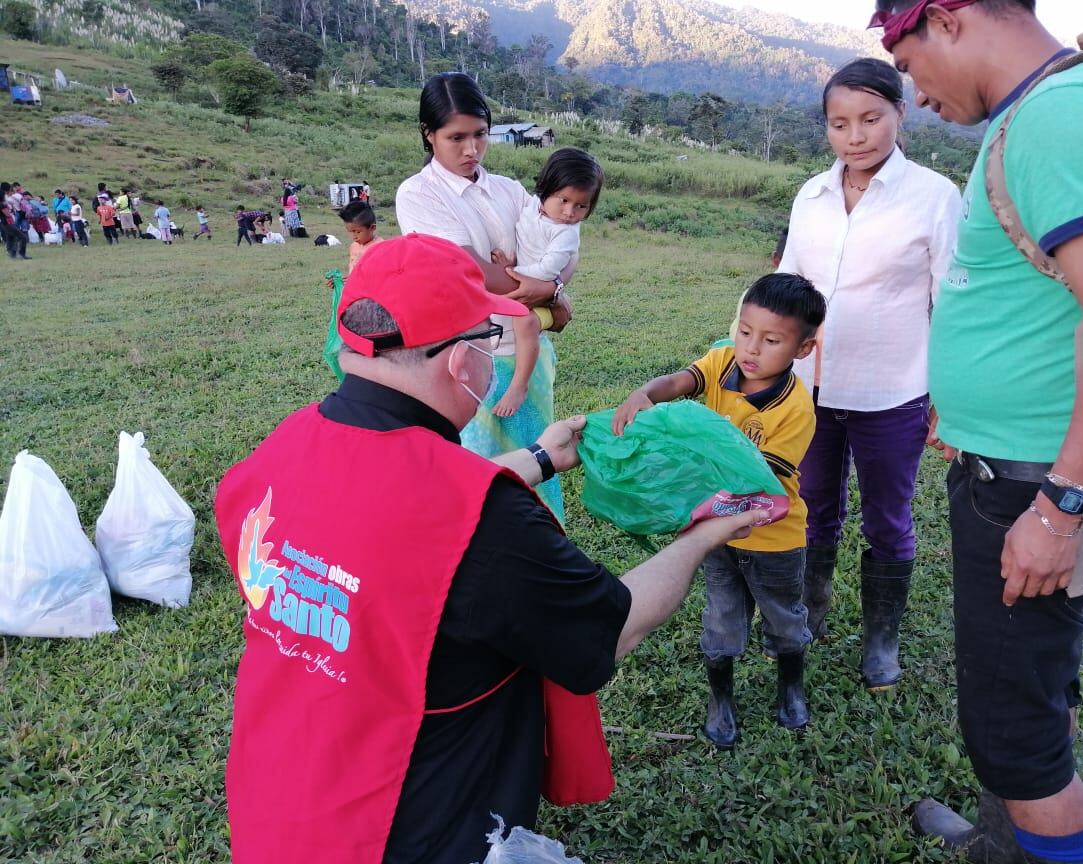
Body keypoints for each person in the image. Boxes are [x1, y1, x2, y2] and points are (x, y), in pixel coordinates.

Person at [214, 233, 767, 864]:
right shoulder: (486, 524)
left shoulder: (274, 454)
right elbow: (610, 625)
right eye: (488, 340)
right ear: (460, 361)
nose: (491, 359)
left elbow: (393, 505)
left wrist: (539, 458)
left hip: (278, 800)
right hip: (406, 823)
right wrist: (707, 532)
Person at [874, 1, 1083, 861]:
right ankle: (1004, 841)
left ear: (947, 18)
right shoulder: (1036, 108)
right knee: (1029, 686)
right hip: (1021, 466)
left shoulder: (1064, 113)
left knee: (1012, 735)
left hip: (1041, 483)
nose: (917, 96)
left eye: (908, 65)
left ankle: (1034, 833)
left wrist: (1062, 505)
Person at [773, 57, 961, 690]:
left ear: (899, 114)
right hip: (811, 387)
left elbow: (950, 302)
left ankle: (881, 639)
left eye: (871, 119)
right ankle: (812, 610)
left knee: (888, 515)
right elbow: (788, 286)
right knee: (813, 505)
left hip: (894, 389)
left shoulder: (935, 197)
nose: (855, 136)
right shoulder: (812, 195)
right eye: (839, 123)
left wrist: (950, 394)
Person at [613, 273, 827, 744]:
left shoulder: (796, 409)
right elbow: (680, 380)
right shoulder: (722, 362)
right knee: (721, 619)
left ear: (803, 348)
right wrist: (646, 393)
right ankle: (721, 698)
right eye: (745, 331)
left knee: (785, 619)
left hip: (774, 539)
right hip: (716, 535)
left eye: (771, 340)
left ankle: (790, 685)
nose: (751, 348)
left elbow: (758, 479)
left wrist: (688, 462)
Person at [395, 72, 574, 519]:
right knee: (478, 476)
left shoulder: (509, 190)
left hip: (527, 355)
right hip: (468, 359)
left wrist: (553, 286)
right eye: (456, 138)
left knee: (539, 458)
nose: (471, 149)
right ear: (428, 134)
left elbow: (560, 245)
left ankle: (542, 546)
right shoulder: (419, 195)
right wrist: (547, 293)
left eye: (479, 134)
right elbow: (469, 271)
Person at [488, 147, 603, 419]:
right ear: (546, 188)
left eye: (581, 206)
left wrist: (509, 270)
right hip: (528, 284)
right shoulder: (529, 206)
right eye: (564, 200)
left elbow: (547, 270)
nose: (569, 212)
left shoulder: (566, 233)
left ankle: (519, 385)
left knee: (525, 322)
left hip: (541, 291)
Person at [338, 199, 384, 272]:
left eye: (358, 232)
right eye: (350, 232)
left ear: (372, 228)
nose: (354, 236)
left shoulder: (380, 247)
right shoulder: (354, 246)